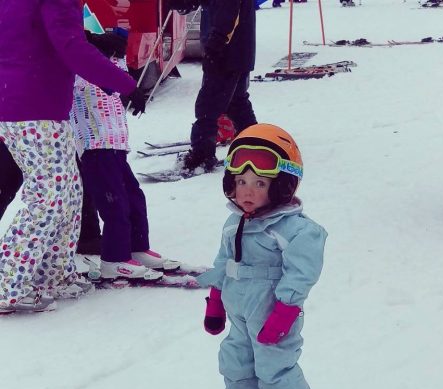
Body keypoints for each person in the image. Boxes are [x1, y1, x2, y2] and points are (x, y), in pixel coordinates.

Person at [0, 0, 146, 314]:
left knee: (69, 193)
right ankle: (7, 284)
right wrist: (124, 84)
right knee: (49, 198)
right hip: (33, 107)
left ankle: (54, 277)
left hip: (31, 105)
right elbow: (71, 47)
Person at [196, 124, 328, 389]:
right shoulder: (234, 222)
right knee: (234, 362)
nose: (247, 191)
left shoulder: (298, 230)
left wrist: (284, 312)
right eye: (240, 182)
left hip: (272, 315)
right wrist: (215, 300)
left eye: (259, 183)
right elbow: (224, 261)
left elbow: (301, 274)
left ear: (282, 185)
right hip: (240, 313)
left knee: (275, 367)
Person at [71, 29, 179, 278]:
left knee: (134, 197)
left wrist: (113, 45)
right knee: (114, 203)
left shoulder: (112, 60)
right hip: (95, 146)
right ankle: (114, 258)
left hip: (117, 144)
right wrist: (92, 42)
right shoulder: (80, 68)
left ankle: (136, 247)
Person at [170, 0, 258, 172]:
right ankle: (255, 141)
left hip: (226, 52)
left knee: (208, 105)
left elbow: (228, 10)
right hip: (237, 50)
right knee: (236, 102)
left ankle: (202, 154)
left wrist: (216, 42)